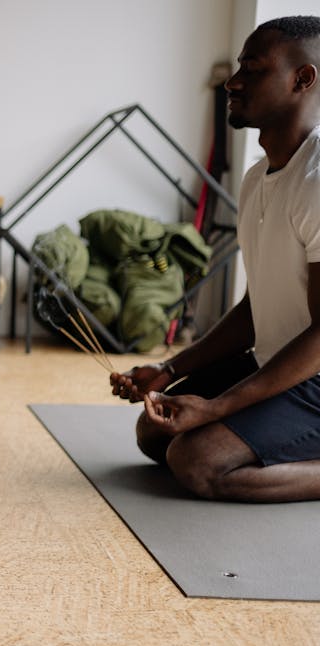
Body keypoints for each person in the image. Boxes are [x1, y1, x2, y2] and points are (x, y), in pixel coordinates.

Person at [111, 15, 320, 503]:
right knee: (154, 431)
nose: (233, 80)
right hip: (278, 364)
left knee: (197, 461)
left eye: (253, 67)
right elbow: (257, 306)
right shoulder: (256, 178)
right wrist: (169, 367)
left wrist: (217, 407)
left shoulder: (317, 181)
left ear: (303, 79)